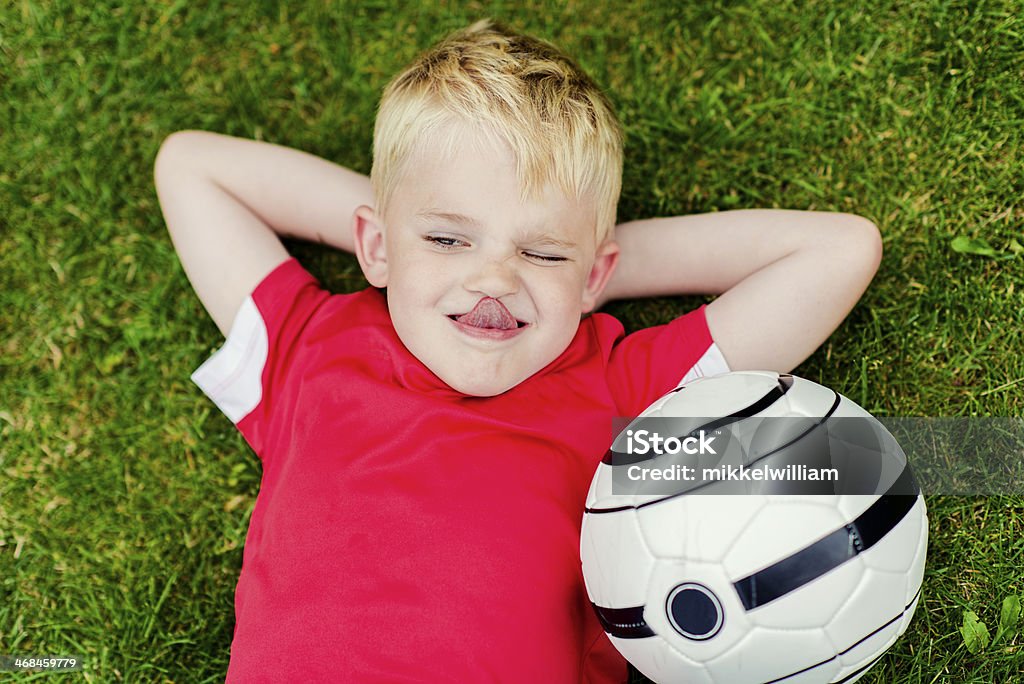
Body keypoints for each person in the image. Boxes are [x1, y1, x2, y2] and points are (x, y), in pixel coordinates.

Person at [154, 19, 882, 683]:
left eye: (539, 251)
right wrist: (402, 231)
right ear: (372, 244)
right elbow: (191, 168)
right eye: (447, 238)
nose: (494, 278)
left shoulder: (623, 392)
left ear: (599, 274)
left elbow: (838, 250)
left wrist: (587, 272)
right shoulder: (309, 348)